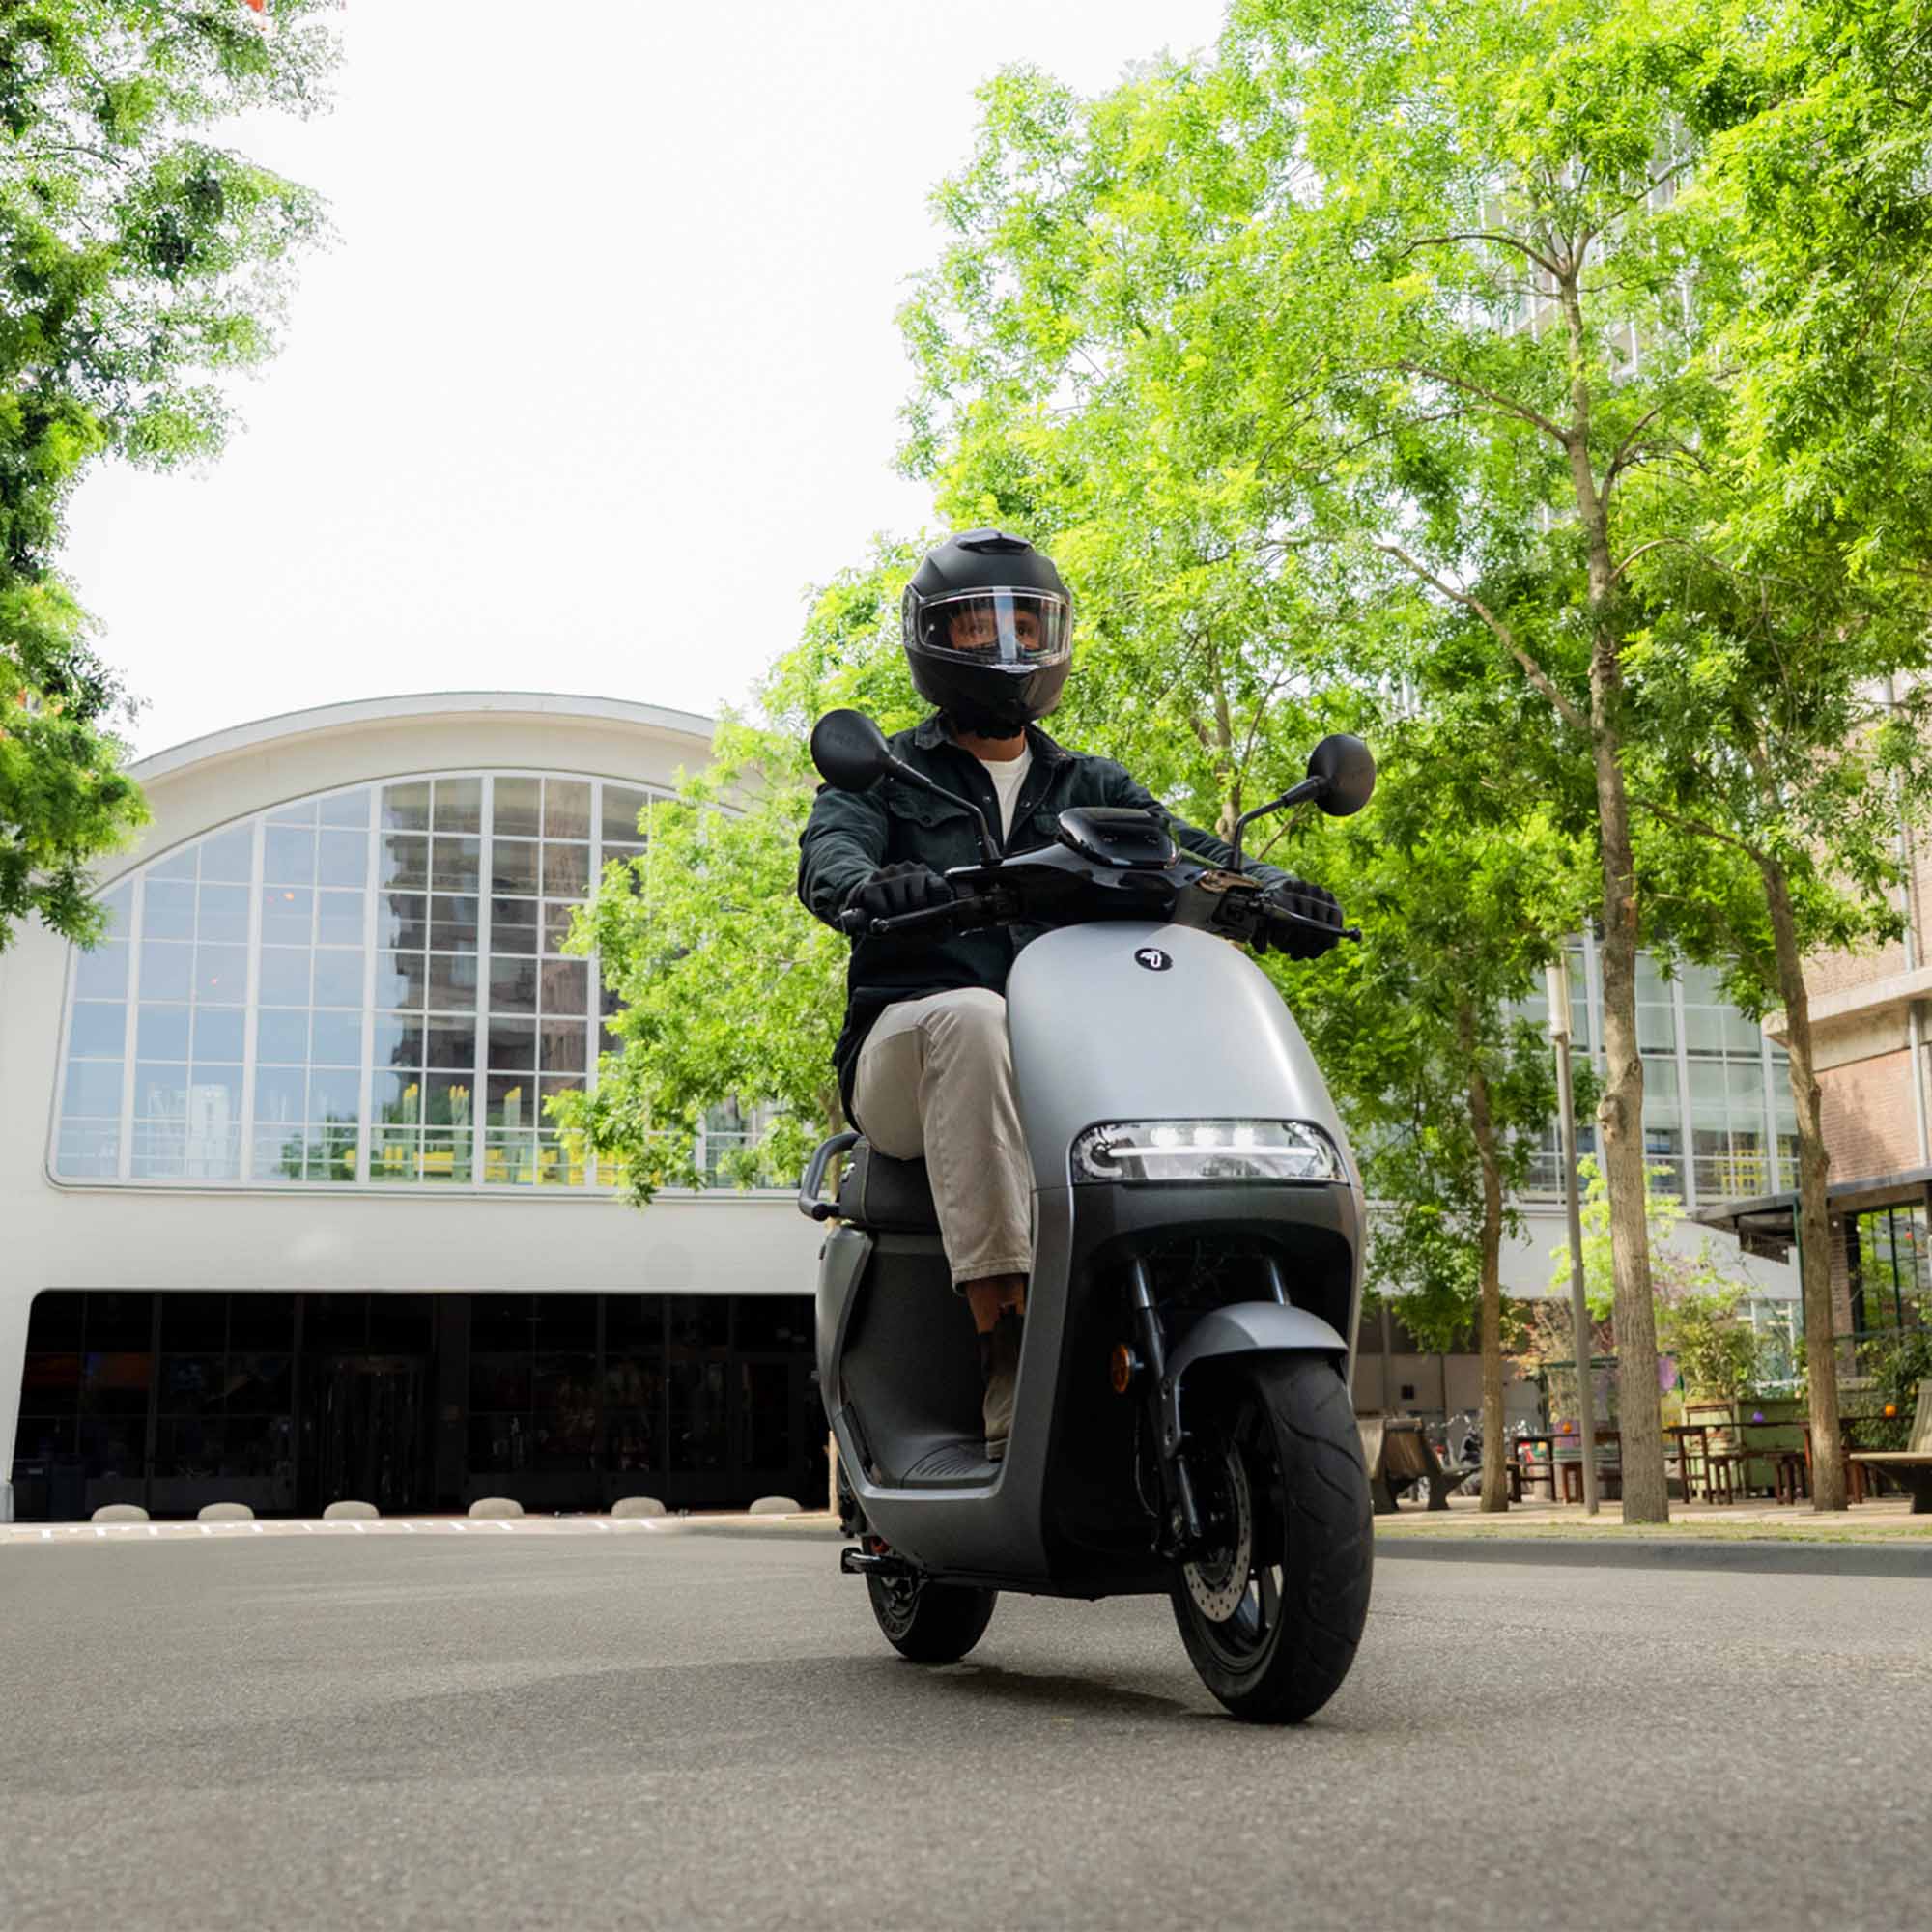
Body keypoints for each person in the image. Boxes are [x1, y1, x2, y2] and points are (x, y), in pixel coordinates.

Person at [796, 529, 1345, 1460]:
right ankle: (1005, 1337)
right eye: (976, 629)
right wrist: (865, 885)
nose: (1005, 651)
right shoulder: (887, 772)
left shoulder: (1090, 783)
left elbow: (1189, 850)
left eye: (1026, 627)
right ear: (933, 641)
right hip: (907, 1061)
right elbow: (830, 855)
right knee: (972, 1017)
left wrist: (1277, 890)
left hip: (1064, 1073)